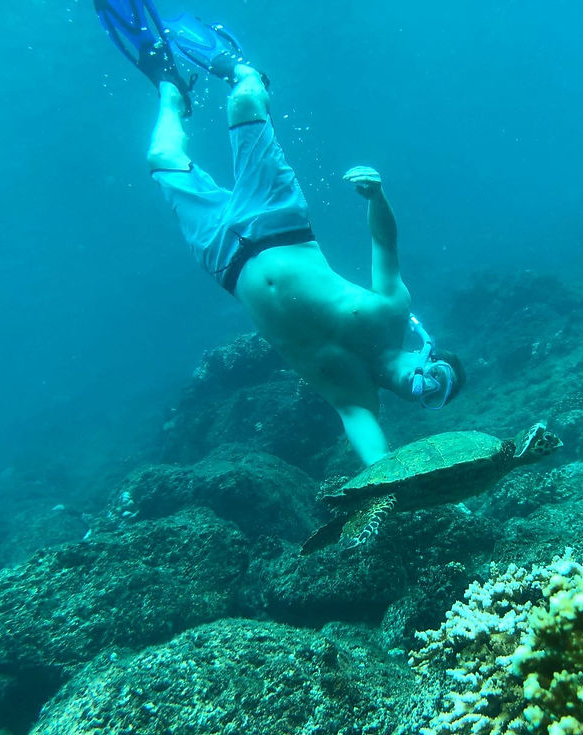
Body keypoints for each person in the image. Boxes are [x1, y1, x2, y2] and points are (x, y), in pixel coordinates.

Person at [94, 2, 464, 465]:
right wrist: (377, 197)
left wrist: (404, 489)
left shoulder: (354, 397)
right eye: (439, 378)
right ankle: (244, 70)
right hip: (278, 224)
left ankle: (171, 90)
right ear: (429, 353)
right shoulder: (393, 313)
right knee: (245, 99)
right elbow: (385, 246)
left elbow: (378, 458)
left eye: (434, 397)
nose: (427, 387)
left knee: (160, 156)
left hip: (224, 260)